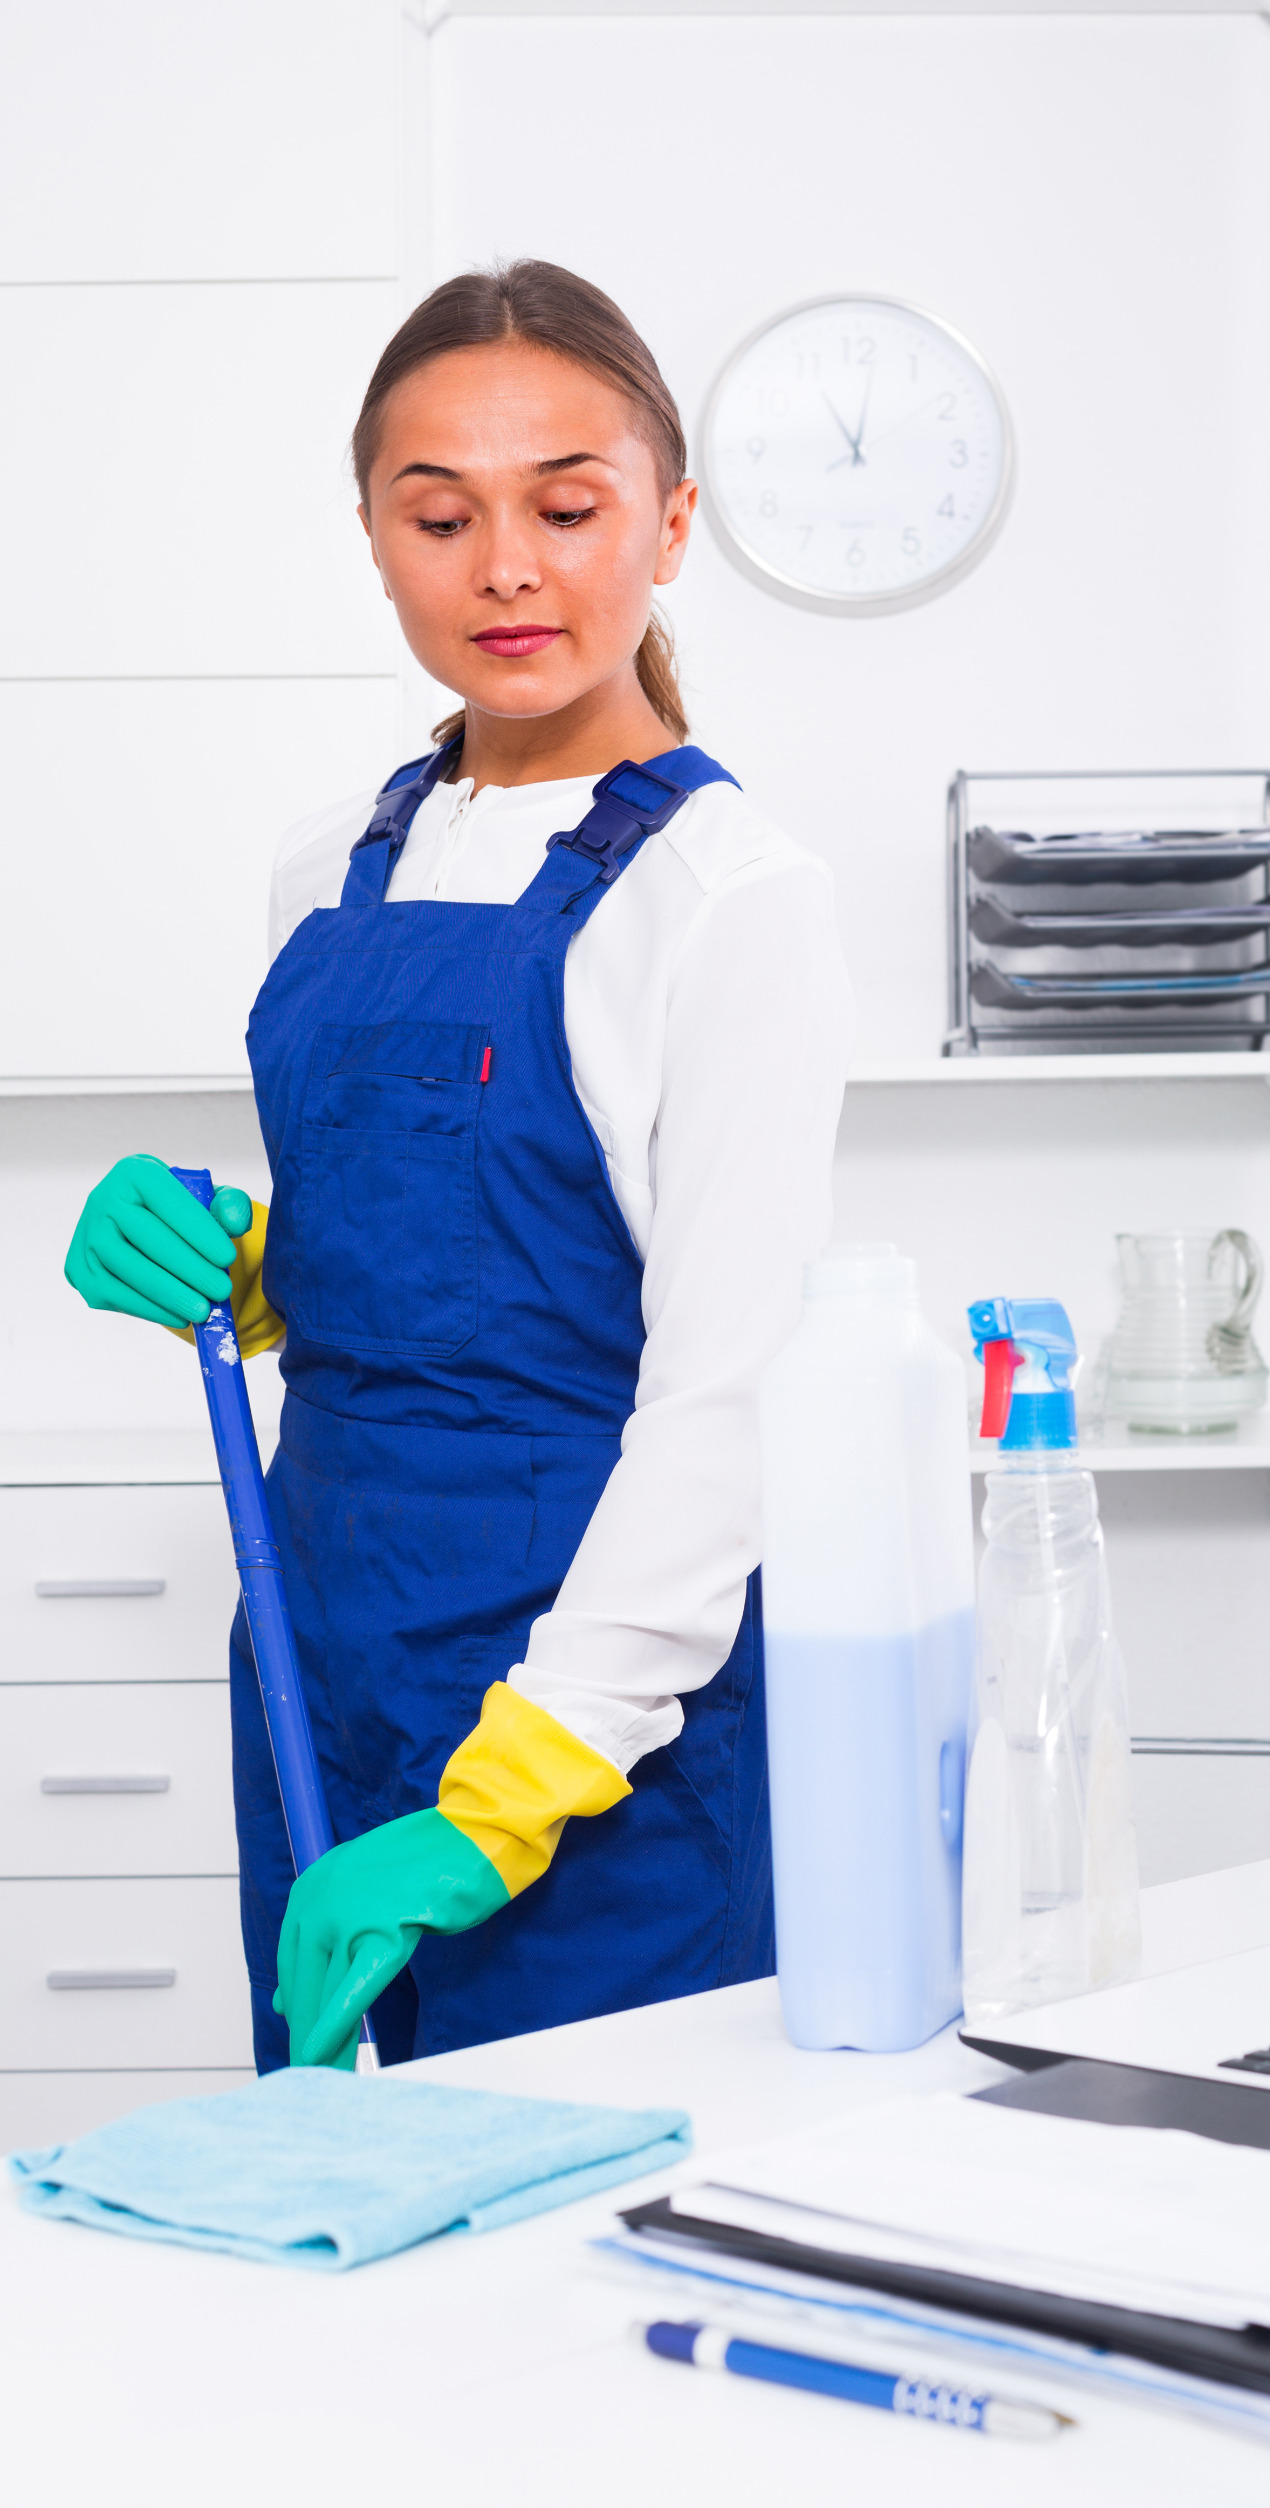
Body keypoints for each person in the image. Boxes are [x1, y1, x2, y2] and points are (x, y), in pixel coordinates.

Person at [64, 261, 852, 2072]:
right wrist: (237, 1264)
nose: (507, 565)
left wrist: (514, 1791)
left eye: (567, 507)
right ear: (373, 537)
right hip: (318, 1661)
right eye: (441, 514)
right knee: (353, 2248)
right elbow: (437, 1259)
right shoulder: (331, 858)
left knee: (582, 2268)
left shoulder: (730, 899)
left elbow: (722, 1395)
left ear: (669, 525)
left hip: (596, 1725)